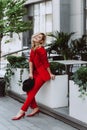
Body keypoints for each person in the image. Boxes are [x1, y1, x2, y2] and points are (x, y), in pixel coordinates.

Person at [12, 32, 55, 120]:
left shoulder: (41, 50)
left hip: (42, 74)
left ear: (41, 41)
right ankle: (35, 108)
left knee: (31, 93)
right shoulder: (33, 48)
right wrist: (30, 73)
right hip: (35, 73)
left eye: (39, 37)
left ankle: (22, 111)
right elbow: (31, 61)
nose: (36, 37)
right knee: (28, 90)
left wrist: (50, 73)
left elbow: (45, 63)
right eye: (37, 35)